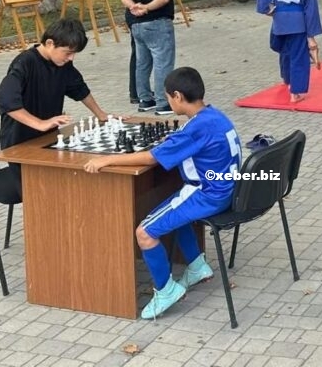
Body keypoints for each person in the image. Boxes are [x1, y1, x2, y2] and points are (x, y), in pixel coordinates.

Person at [83, 67, 241, 320]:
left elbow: (151, 157)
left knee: (144, 233)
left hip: (208, 194)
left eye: (167, 97)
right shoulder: (214, 116)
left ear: (177, 96)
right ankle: (197, 266)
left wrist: (107, 159)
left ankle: (166, 291)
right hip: (228, 189)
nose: (168, 102)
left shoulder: (196, 128)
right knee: (175, 210)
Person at [0, 18, 109, 180]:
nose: (71, 58)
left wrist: (100, 114)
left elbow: (79, 89)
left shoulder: (63, 64)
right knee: (35, 190)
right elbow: (5, 99)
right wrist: (40, 123)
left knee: (57, 184)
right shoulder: (25, 62)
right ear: (50, 43)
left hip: (47, 140)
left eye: (74, 53)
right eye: (68, 52)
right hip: (19, 142)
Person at [257, 0, 322, 102]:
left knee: (285, 51)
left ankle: (286, 79)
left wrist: (266, 8)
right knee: (299, 56)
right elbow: (310, 12)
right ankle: (295, 92)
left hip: (279, 19)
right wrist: (311, 36)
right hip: (298, 23)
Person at [122, 0, 176, 113]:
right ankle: (163, 102)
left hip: (137, 25)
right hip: (158, 23)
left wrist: (133, 6)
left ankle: (145, 99)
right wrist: (146, 7)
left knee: (142, 63)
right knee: (163, 62)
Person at [118, 0, 145, 105]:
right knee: (139, 53)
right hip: (136, 11)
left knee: (143, 54)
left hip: (142, 11)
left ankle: (141, 89)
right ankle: (135, 92)